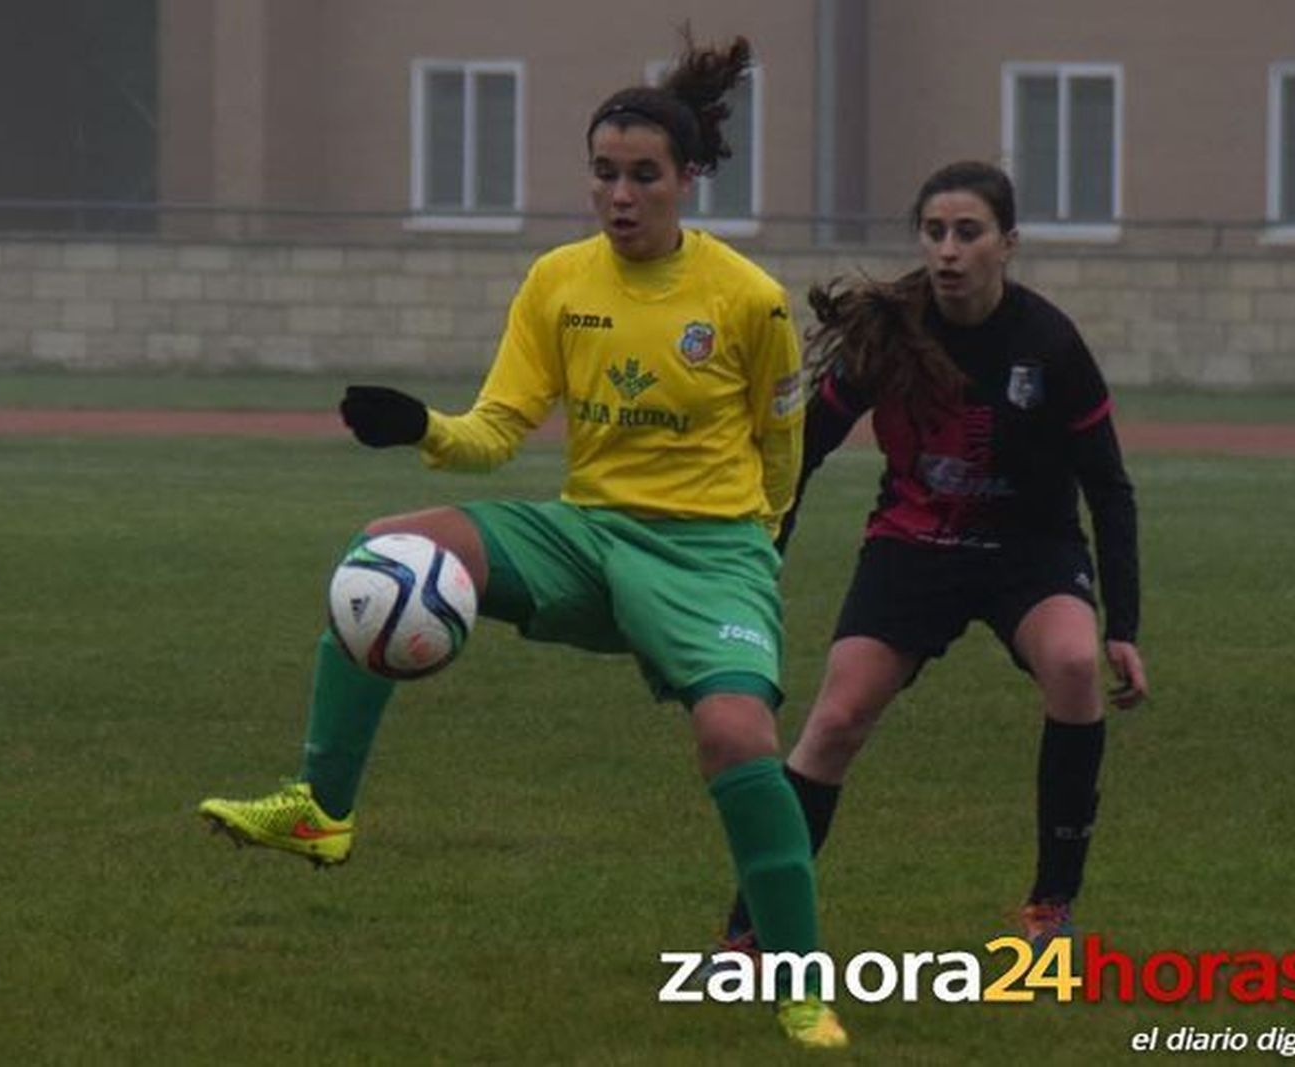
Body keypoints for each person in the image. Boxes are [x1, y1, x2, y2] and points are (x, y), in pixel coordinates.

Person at [197, 31, 846, 1051]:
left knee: (735, 737)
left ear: (687, 180)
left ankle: (801, 982)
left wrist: (756, 540)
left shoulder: (745, 298)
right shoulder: (557, 281)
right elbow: (496, 431)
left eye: (642, 176)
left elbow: (781, 438)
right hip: (584, 535)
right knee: (390, 552)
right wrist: (420, 428)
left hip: (709, 552)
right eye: (604, 173)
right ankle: (322, 809)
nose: (620, 194)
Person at [716, 160, 1147, 957]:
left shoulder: (1049, 342)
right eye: (935, 232)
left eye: (969, 232)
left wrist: (1123, 622)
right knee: (836, 719)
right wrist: (759, 558)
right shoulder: (893, 331)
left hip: (1030, 549)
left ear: (1007, 244)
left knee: (1076, 664)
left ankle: (1051, 909)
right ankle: (750, 930)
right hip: (914, 545)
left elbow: (1108, 487)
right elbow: (800, 450)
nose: (948, 249)